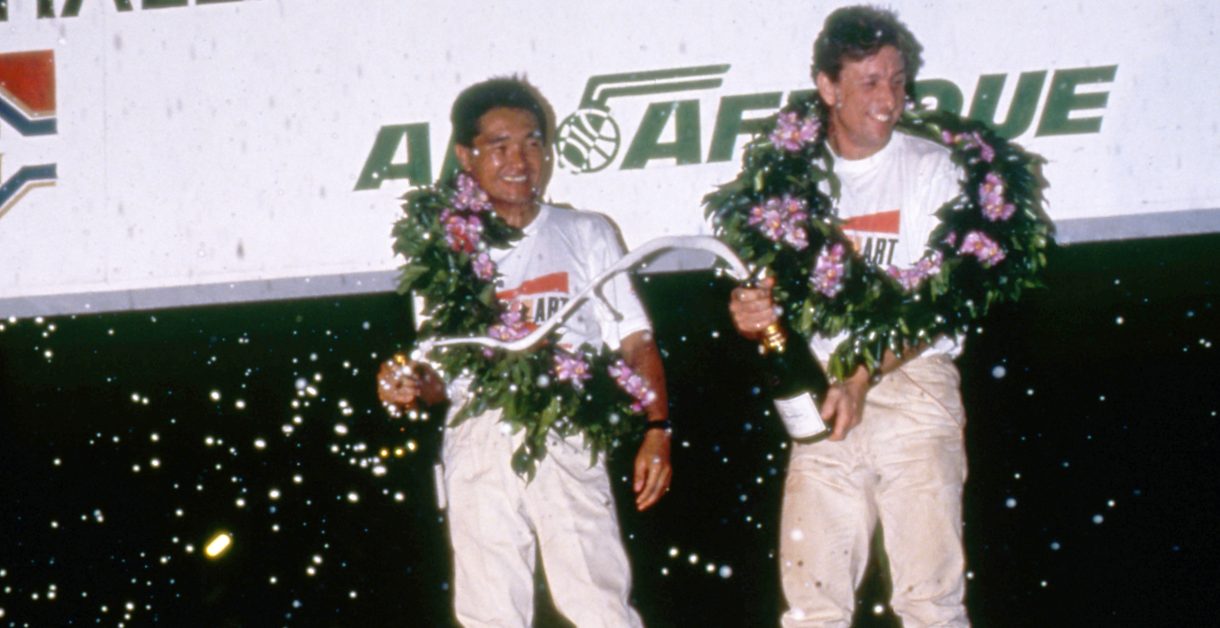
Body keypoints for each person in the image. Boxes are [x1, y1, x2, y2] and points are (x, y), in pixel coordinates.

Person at [376, 77, 672, 628]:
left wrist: (658, 428)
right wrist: (409, 385)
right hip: (477, 433)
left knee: (597, 600)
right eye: (500, 145)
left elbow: (636, 341)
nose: (520, 160)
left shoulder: (585, 232)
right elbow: (439, 378)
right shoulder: (446, 251)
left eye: (533, 143)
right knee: (490, 609)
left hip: (565, 423)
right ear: (466, 156)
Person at [729, 7, 970, 627]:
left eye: (898, 80)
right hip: (820, 390)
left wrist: (861, 377)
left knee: (929, 600)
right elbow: (772, 295)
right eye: (870, 82)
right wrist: (753, 313)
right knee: (813, 603)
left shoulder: (931, 169)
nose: (889, 99)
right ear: (828, 87)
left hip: (912, 386)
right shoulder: (791, 181)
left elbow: (937, 305)